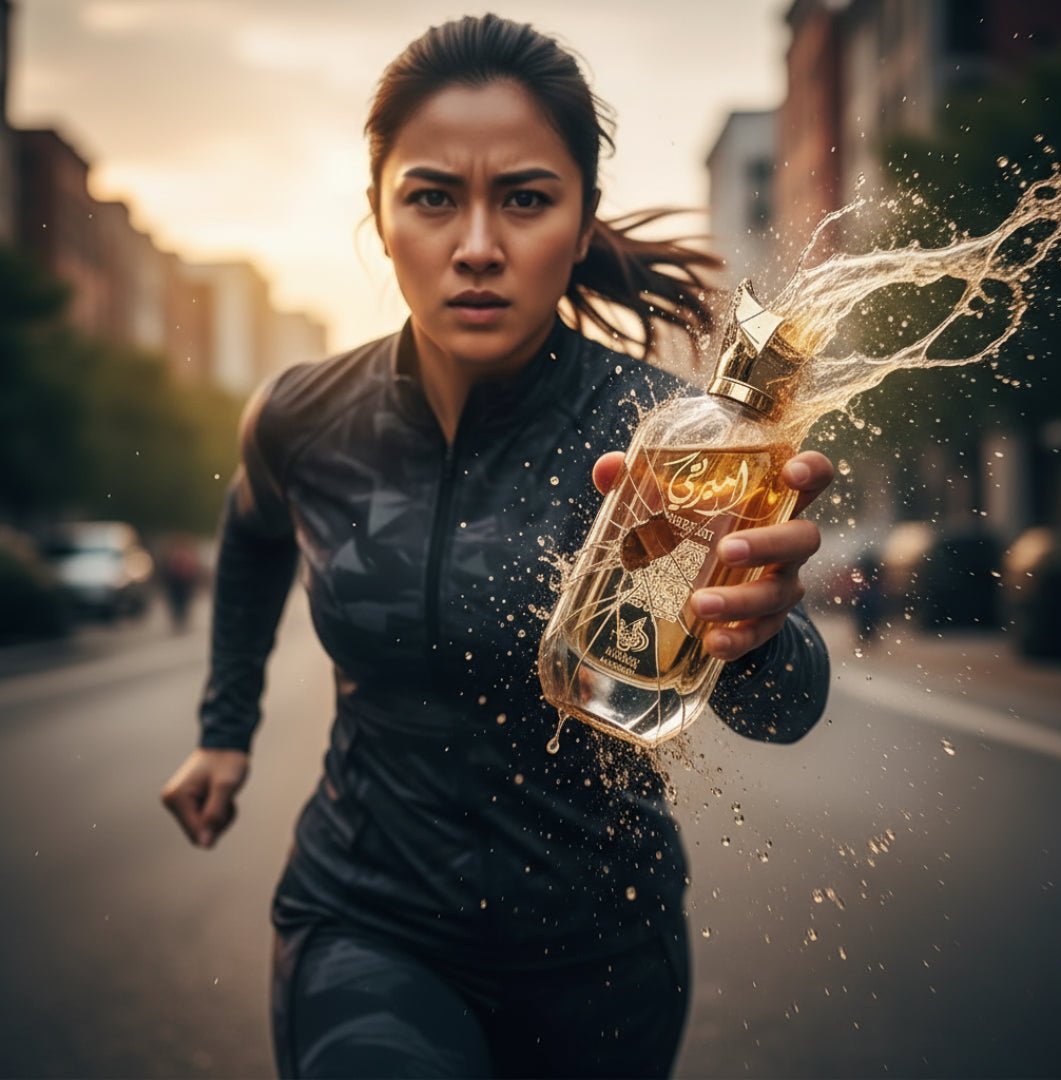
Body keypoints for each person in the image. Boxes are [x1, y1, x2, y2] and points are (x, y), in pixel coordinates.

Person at [161, 14, 834, 1079]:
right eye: (433, 197)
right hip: (364, 922)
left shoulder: (672, 445)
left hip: (601, 958)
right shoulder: (304, 418)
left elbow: (787, 712)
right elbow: (252, 534)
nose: (478, 244)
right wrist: (223, 730)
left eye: (524, 198)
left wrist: (755, 631)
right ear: (379, 212)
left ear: (582, 219)